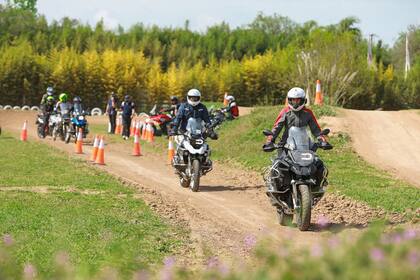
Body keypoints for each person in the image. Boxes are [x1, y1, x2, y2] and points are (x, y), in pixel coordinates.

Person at [263, 87, 330, 189]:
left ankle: (318, 187)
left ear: (303, 100)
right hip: (286, 145)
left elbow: (315, 128)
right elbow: (277, 127)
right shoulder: (285, 112)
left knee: (318, 164)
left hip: (305, 145)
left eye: (298, 100)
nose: (295, 102)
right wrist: (270, 140)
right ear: (289, 100)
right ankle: (275, 187)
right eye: (293, 100)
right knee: (278, 164)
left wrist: (322, 140)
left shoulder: (308, 113)